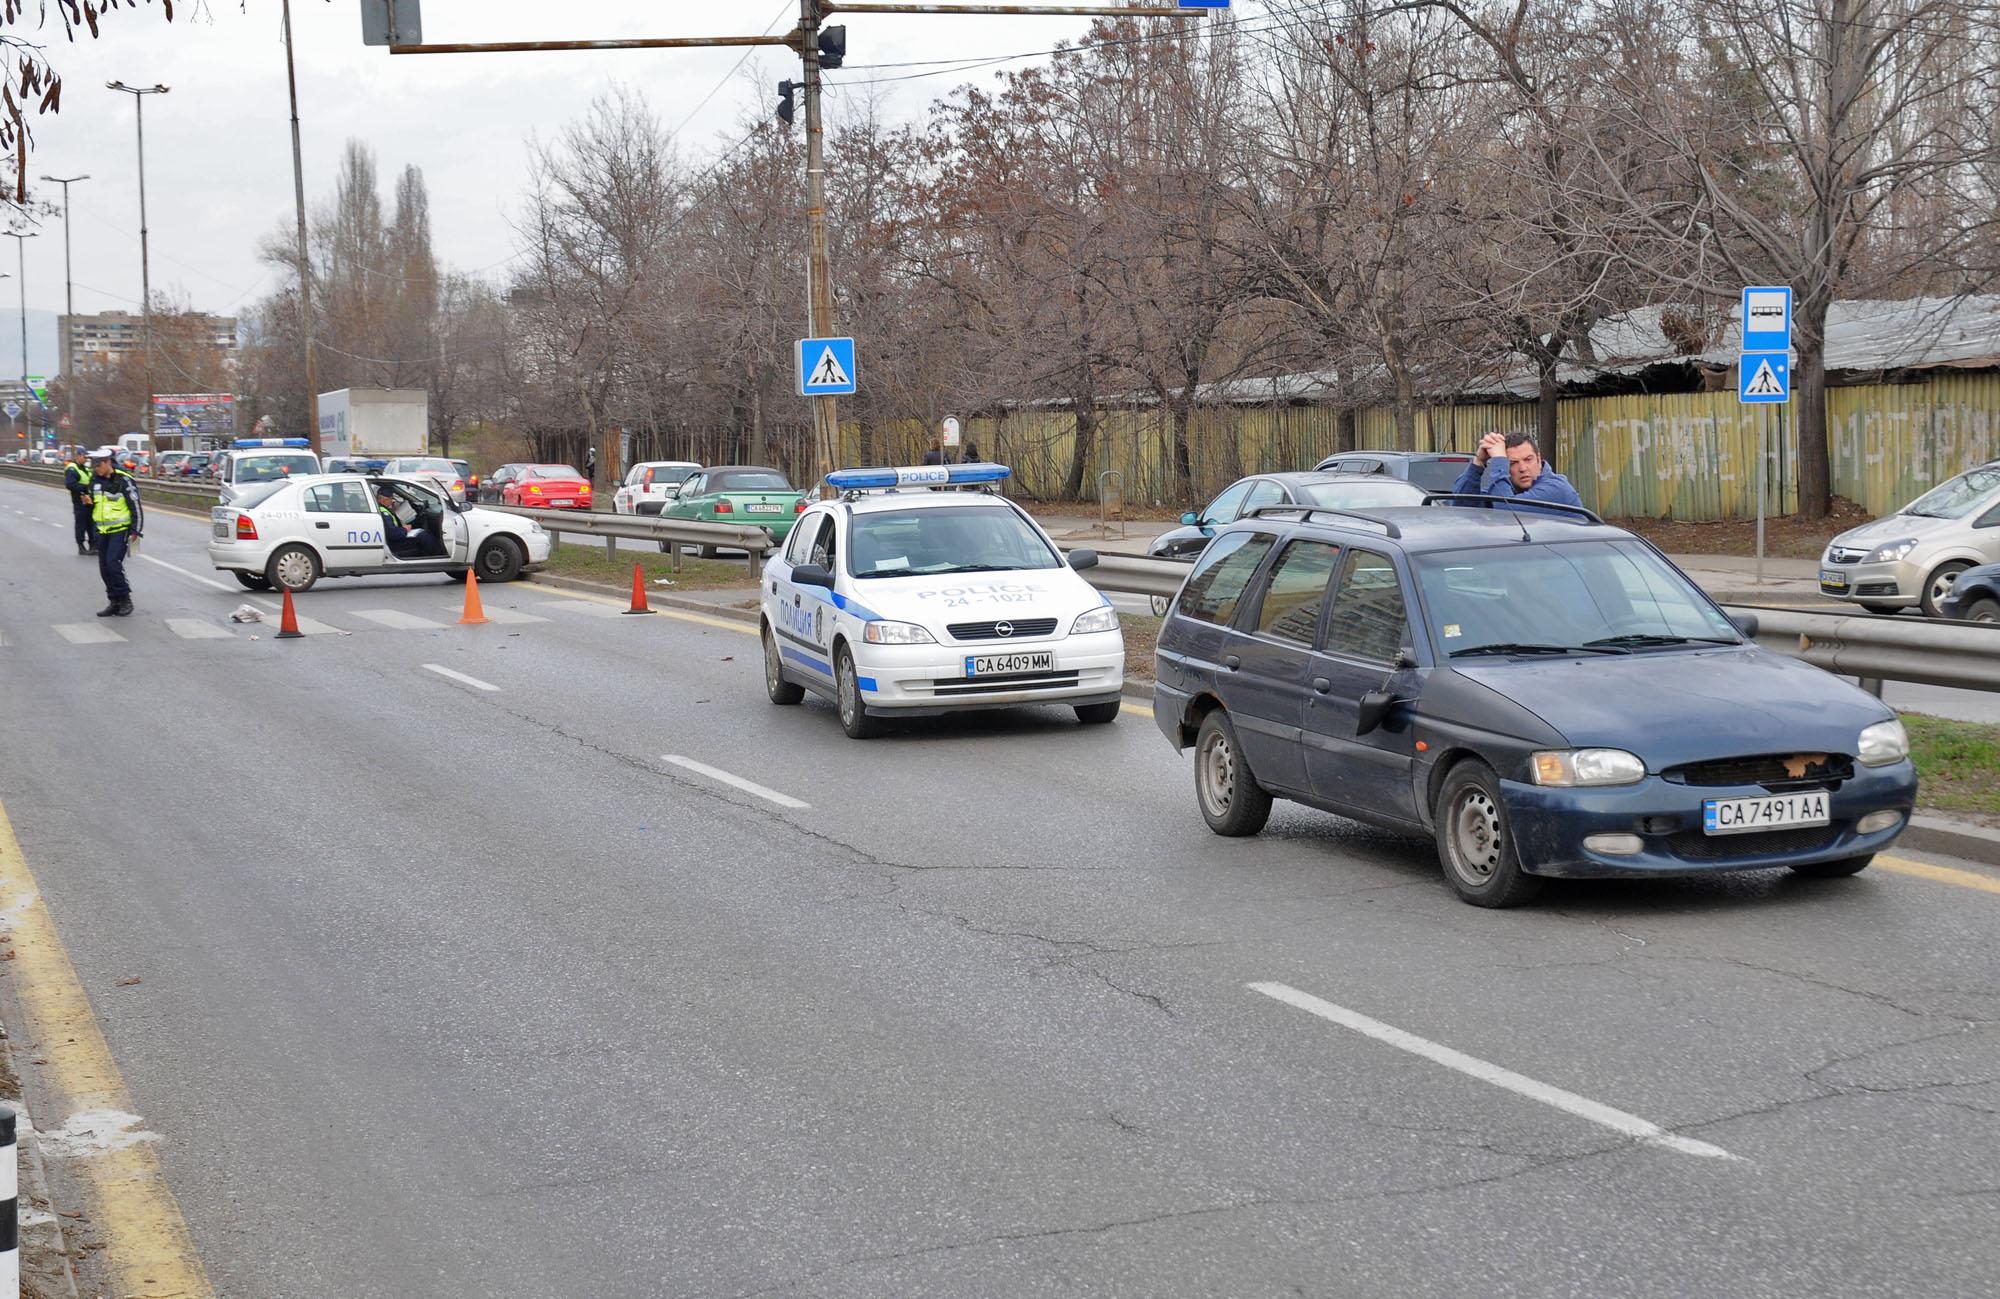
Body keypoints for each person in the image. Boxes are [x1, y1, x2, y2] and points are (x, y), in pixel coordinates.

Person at [1453, 430, 1583, 512]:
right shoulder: (1507, 490)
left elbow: (1507, 512)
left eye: (1528, 459)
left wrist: (1499, 459)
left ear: (1538, 459)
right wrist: (1478, 462)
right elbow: (1461, 508)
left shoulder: (1556, 487)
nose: (1522, 468)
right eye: (1513, 463)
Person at [86, 447, 142, 616]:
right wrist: (88, 502)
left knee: (113, 563)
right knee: (104, 568)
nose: (96, 469)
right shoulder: (95, 481)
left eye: (98, 466)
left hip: (121, 530)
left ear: (108, 462)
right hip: (103, 531)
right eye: (94, 466)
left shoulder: (124, 480)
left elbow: (136, 507)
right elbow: (96, 505)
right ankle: (114, 601)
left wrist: (135, 531)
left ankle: (125, 599)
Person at [375, 484, 431, 558]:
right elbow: (393, 534)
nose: (392, 501)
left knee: (418, 530)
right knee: (423, 536)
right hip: (393, 544)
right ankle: (438, 556)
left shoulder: (382, 508)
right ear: (384, 500)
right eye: (391, 499)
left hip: (392, 539)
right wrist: (405, 529)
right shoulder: (384, 513)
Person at [63, 447, 96, 556]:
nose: (86, 459)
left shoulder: (85, 468)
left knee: (91, 524)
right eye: (84, 456)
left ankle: (93, 545)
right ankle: (81, 547)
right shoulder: (72, 469)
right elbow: (70, 484)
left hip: (89, 500)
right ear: (77, 456)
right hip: (79, 501)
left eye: (86, 456)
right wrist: (85, 488)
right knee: (81, 524)